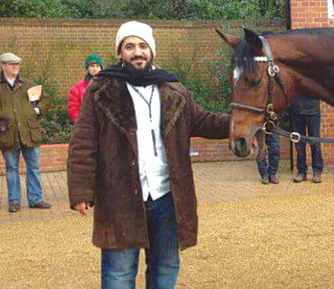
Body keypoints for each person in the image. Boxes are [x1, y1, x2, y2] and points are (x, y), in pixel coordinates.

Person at [67, 21, 231, 289]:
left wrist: (242, 123)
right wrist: (81, 191)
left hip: (167, 196)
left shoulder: (172, 88)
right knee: (119, 274)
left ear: (151, 50)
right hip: (119, 195)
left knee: (165, 268)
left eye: (143, 46)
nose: (137, 52)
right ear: (120, 53)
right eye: (129, 46)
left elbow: (202, 120)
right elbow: (82, 142)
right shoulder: (102, 89)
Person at [0, 52, 52, 213]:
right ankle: (14, 202)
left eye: (17, 64)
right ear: (3, 66)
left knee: (34, 168)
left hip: (29, 132)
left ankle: (35, 199)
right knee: (11, 168)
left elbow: (46, 98)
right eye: (12, 64)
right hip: (8, 133)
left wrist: (37, 110)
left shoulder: (28, 84)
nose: (16, 67)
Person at [290, 95, 324, 183]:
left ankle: (317, 171)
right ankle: (301, 171)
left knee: (314, 142)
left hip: (312, 110)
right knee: (299, 144)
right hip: (297, 110)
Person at [68, 52, 103, 123]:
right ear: (87, 69)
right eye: (92, 66)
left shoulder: (107, 86)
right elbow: (73, 109)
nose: (95, 69)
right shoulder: (76, 89)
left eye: (97, 66)